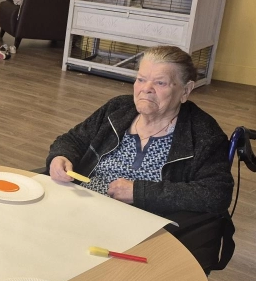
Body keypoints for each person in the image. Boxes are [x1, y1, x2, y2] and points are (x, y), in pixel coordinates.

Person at [47, 46, 234, 216]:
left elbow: (216, 193)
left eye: (160, 83)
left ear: (185, 91)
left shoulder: (204, 133)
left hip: (145, 224)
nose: (146, 89)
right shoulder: (118, 108)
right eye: (141, 79)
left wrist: (140, 193)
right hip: (83, 206)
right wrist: (61, 156)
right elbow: (73, 139)